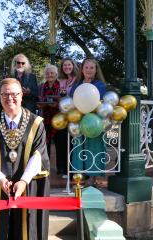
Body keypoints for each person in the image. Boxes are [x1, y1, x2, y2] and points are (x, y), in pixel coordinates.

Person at [0, 78, 50, 240]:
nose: (10, 98)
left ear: (22, 95)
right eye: (5, 94)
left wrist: (23, 181)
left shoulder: (36, 123)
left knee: (25, 229)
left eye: (14, 94)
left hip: (27, 184)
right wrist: (0, 178)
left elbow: (38, 156)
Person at [68, 57, 107, 186]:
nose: (89, 70)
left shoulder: (100, 85)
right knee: (79, 146)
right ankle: (80, 174)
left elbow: (100, 104)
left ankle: (93, 176)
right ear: (82, 70)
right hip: (79, 120)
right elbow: (71, 100)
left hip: (94, 121)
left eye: (92, 68)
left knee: (94, 146)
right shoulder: (77, 85)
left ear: (96, 70)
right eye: (86, 68)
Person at [38, 64, 68, 177]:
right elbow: (38, 100)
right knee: (45, 145)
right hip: (45, 119)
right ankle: (45, 168)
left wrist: (57, 103)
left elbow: (66, 102)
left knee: (61, 145)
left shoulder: (61, 85)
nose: (49, 75)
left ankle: (62, 170)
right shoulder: (41, 86)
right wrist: (41, 105)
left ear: (56, 75)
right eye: (47, 73)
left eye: (52, 73)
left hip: (59, 119)